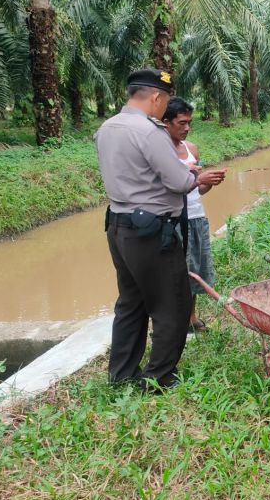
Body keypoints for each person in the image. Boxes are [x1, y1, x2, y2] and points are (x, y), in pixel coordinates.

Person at [95, 68, 226, 390]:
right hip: (151, 231)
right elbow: (179, 181)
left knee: (131, 302)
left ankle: (121, 373)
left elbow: (135, 173)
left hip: (119, 225)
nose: (163, 106)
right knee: (173, 302)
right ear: (156, 97)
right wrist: (196, 176)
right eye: (164, 100)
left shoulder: (108, 128)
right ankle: (160, 376)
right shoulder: (149, 131)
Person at [163, 97, 226, 333]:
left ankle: (191, 317)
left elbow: (198, 188)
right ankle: (173, 321)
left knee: (195, 269)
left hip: (196, 216)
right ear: (166, 122)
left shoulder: (192, 149)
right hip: (173, 218)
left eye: (189, 122)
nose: (187, 128)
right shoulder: (159, 151)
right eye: (182, 123)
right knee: (175, 272)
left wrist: (210, 182)